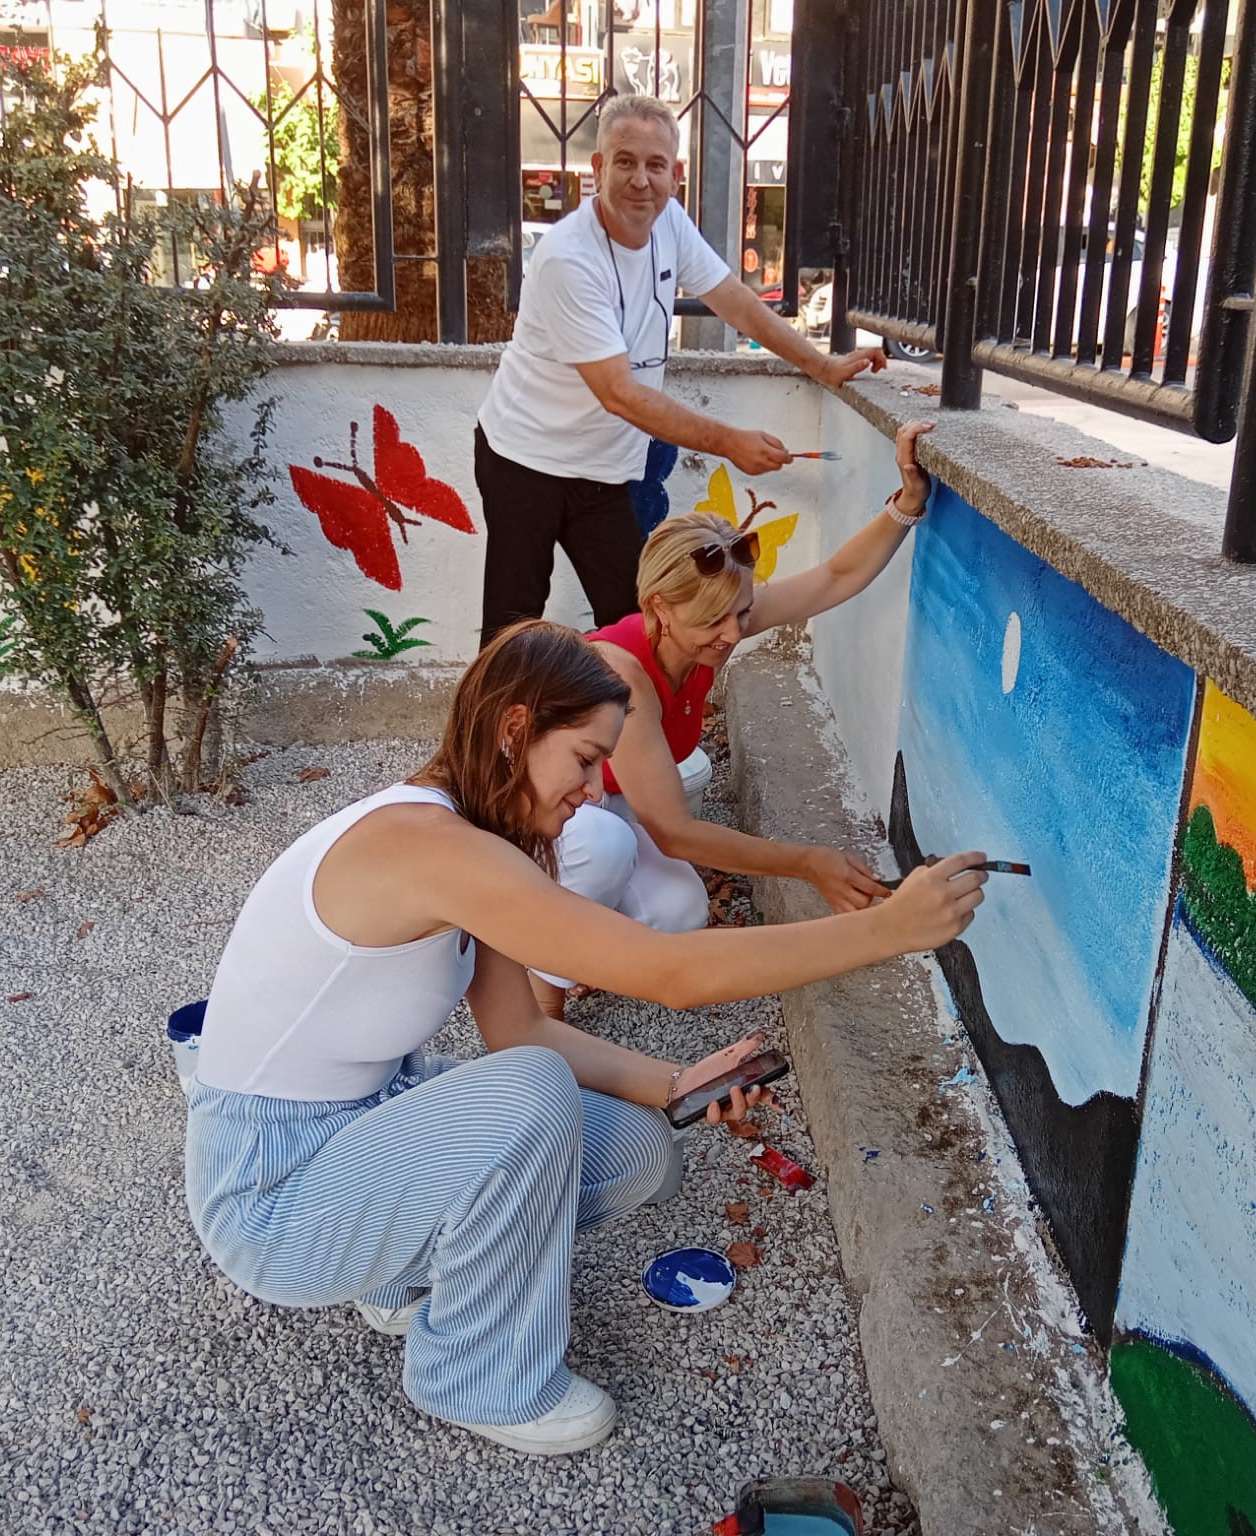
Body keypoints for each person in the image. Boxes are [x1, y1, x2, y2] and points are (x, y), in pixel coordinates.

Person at [184, 621, 987, 1457]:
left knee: (640, 1151)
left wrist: (676, 1087)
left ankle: (397, 1270)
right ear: (513, 730)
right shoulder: (426, 846)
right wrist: (889, 930)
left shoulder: (476, 836)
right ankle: (475, 1376)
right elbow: (666, 973)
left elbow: (522, 1025)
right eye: (582, 759)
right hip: (270, 1192)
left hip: (363, 1129)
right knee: (531, 1095)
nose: (597, 791)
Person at [530, 420, 938, 1020]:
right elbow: (673, 832)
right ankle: (537, 1002)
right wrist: (807, 862)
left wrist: (907, 503)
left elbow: (834, 578)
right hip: (536, 818)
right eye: (714, 622)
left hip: (605, 800)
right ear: (658, 609)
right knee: (605, 846)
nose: (732, 636)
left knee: (679, 912)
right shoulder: (622, 674)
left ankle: (582, 926)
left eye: (742, 614)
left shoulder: (712, 623)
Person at [474, 93, 887, 646]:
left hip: (603, 472)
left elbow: (733, 299)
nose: (640, 180)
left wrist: (823, 365)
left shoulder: (669, 222)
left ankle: (630, 731)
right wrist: (730, 442)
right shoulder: (568, 258)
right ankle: (493, 734)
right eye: (624, 161)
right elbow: (619, 393)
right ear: (597, 169)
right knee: (513, 629)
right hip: (525, 459)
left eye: (655, 164)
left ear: (675, 174)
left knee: (638, 621)